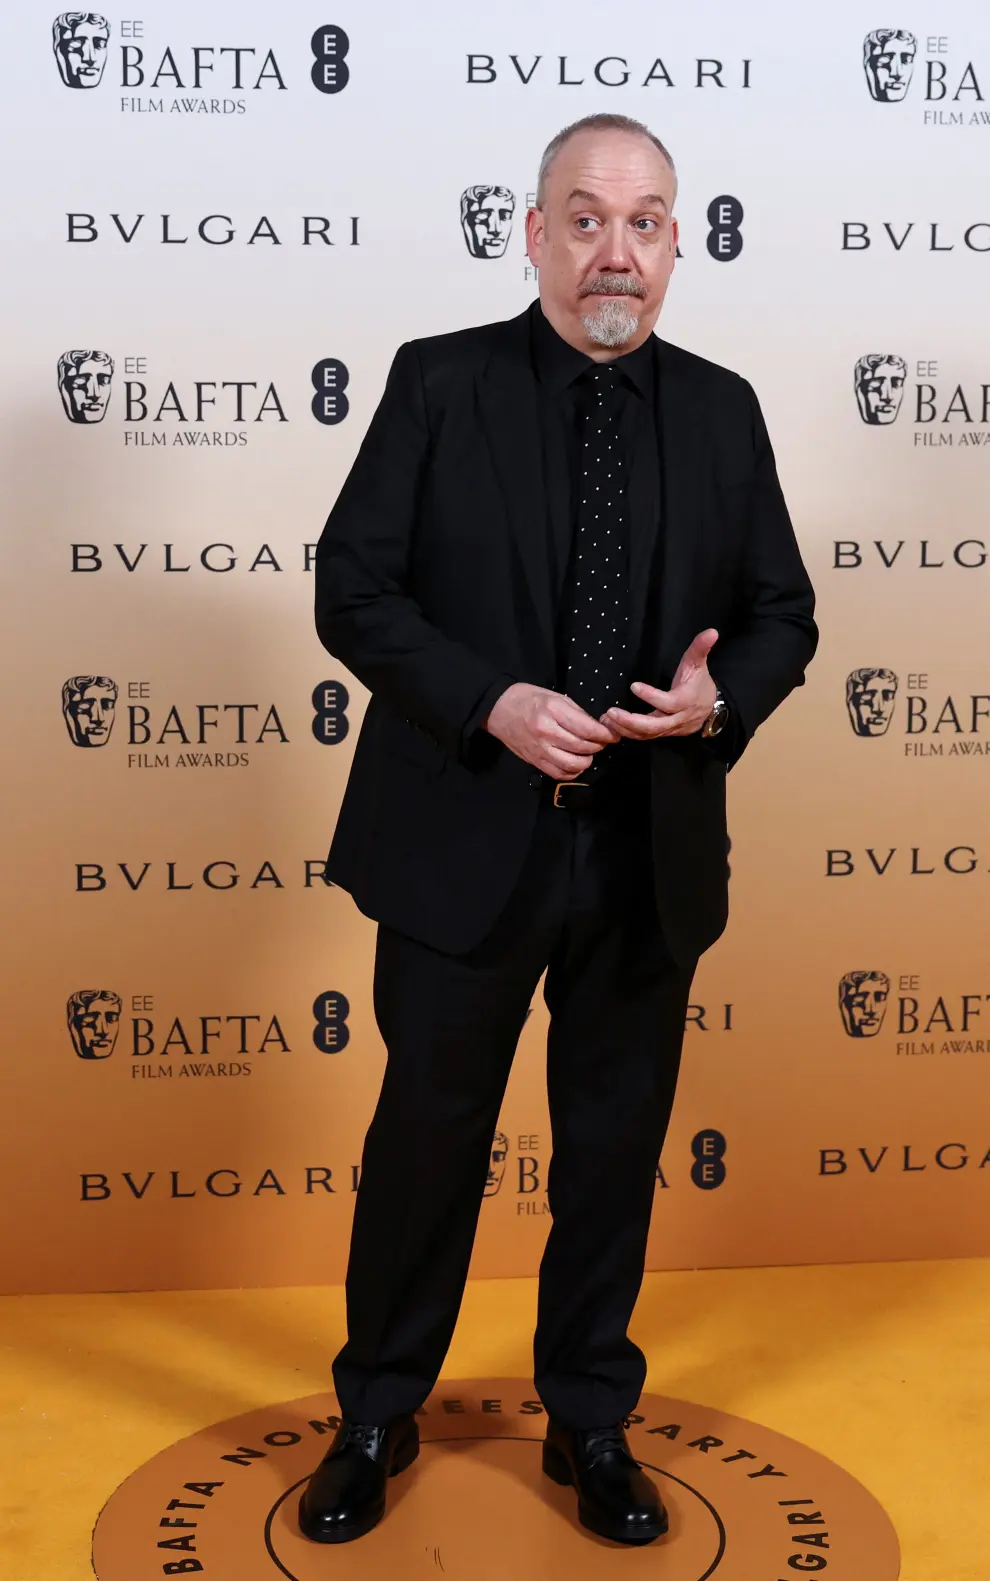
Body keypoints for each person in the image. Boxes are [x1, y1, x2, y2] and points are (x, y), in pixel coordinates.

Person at [303, 112, 817, 1549]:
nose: (616, 250)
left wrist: (716, 707)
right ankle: (374, 1412)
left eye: (645, 221)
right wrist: (490, 702)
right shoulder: (438, 384)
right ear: (530, 234)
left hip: (645, 852)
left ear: (676, 245)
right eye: (584, 217)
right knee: (428, 1140)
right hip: (462, 845)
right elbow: (353, 588)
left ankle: (590, 1418)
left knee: (609, 1148)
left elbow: (783, 615)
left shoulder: (721, 408)